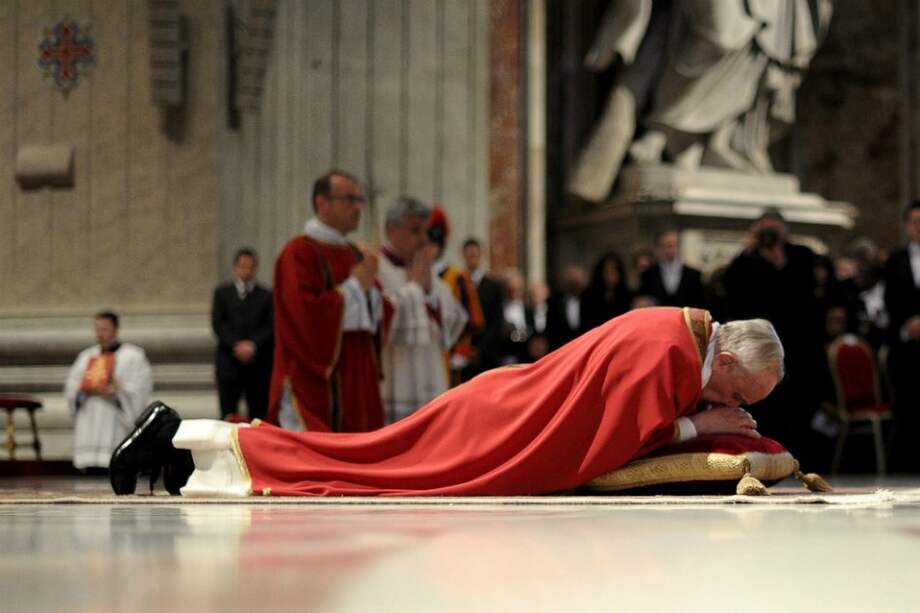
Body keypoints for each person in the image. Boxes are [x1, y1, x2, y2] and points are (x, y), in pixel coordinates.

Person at [109, 307, 783, 497]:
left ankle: (186, 456)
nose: (730, 401)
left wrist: (706, 416)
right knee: (359, 468)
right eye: (735, 390)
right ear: (723, 359)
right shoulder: (666, 352)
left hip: (500, 405)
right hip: (496, 425)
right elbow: (611, 451)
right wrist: (704, 423)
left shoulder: (677, 330)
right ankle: (182, 435)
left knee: (359, 458)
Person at [267, 170, 389, 433]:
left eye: (360, 200)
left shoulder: (356, 253)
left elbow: (379, 319)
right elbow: (304, 316)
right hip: (314, 384)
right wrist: (356, 287)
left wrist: (372, 295)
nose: (358, 207)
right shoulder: (298, 253)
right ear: (322, 203)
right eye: (349, 199)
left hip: (358, 383)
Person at [722, 209, 824, 464]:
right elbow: (731, 290)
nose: (769, 238)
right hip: (759, 344)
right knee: (764, 400)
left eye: (773, 232)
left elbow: (812, 291)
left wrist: (780, 263)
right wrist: (750, 250)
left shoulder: (801, 255)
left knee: (799, 402)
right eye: (764, 232)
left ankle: (800, 458)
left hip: (798, 341)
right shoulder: (745, 262)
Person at [377, 197, 467, 423]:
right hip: (396, 377)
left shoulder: (425, 270)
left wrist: (430, 294)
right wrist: (416, 289)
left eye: (425, 232)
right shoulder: (377, 269)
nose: (422, 240)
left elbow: (455, 320)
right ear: (392, 229)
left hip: (430, 374)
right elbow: (380, 322)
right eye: (415, 231)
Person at [65, 312, 152, 472]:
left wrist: (119, 391)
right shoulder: (86, 356)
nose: (101, 334)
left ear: (116, 330)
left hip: (114, 418)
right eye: (98, 329)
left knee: (115, 463)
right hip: (90, 415)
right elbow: (71, 386)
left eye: (105, 329)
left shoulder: (133, 356)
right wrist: (83, 388)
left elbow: (141, 388)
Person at [211, 247, 273, 421]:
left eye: (250, 267)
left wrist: (253, 345)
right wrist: (236, 345)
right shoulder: (222, 293)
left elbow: (270, 326)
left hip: (258, 363)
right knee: (228, 413)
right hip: (229, 362)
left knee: (258, 413)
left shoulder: (266, 295)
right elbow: (218, 324)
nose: (246, 270)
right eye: (242, 266)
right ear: (236, 267)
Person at [427, 206, 485, 386]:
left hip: (448, 353)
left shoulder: (456, 276)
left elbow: (473, 318)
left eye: (431, 244)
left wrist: (461, 350)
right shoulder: (413, 273)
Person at [884, 201, 920, 472]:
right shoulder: (895, 260)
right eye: (914, 221)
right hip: (906, 344)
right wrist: (906, 326)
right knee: (907, 407)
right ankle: (906, 465)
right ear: (907, 226)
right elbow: (889, 301)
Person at [461, 237, 505, 378]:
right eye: (469, 255)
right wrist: (466, 349)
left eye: (474, 255)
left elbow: (497, 321)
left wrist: (480, 349)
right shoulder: (458, 284)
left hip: (487, 355)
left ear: (481, 256)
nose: (472, 258)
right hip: (463, 354)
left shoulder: (494, 286)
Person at [638, 229, 706, 308]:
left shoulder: (694, 274)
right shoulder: (648, 274)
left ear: (678, 246)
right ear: (658, 247)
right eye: (664, 246)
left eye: (671, 245)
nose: (669, 250)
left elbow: (699, 303)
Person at [580, 251, 634, 331]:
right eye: (606, 271)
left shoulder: (628, 296)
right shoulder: (589, 296)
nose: (610, 276)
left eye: (613, 271)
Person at [545, 265, 587, 350]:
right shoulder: (555, 302)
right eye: (571, 283)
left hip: (584, 346)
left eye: (576, 283)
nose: (574, 286)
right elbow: (551, 328)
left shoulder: (590, 301)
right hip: (562, 348)